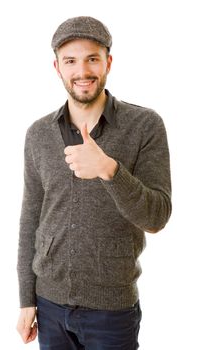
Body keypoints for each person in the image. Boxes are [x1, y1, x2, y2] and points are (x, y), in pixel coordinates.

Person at [16, 16, 172, 350]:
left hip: (112, 312)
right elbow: (31, 219)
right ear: (57, 68)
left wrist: (110, 170)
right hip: (49, 305)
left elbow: (157, 216)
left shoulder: (145, 125)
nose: (82, 71)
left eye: (92, 59)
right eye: (70, 61)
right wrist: (25, 298)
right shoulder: (38, 134)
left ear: (108, 63)